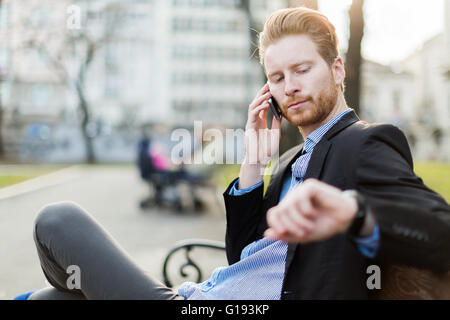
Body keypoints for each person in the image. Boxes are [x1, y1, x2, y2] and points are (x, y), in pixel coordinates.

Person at [24, 7, 449, 300]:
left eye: (303, 70)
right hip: (208, 295)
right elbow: (245, 261)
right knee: (54, 297)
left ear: (337, 70)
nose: (290, 86)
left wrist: (353, 212)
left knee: (57, 220)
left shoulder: (365, 142)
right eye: (277, 77)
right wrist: (253, 165)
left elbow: (440, 231)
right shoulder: (288, 163)